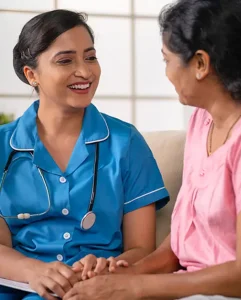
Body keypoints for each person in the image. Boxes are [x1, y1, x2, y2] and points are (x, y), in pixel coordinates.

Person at [63, 0, 241, 299]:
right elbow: (182, 240)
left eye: (167, 60)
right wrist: (122, 275)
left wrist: (136, 288)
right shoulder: (203, 120)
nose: (167, 73)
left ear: (200, 64)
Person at [0, 9, 169, 300]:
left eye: (90, 57)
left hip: (99, 290)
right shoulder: (4, 147)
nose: (85, 72)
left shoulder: (125, 143)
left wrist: (110, 268)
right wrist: (34, 271)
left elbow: (142, 248)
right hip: (19, 288)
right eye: (65, 60)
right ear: (32, 75)